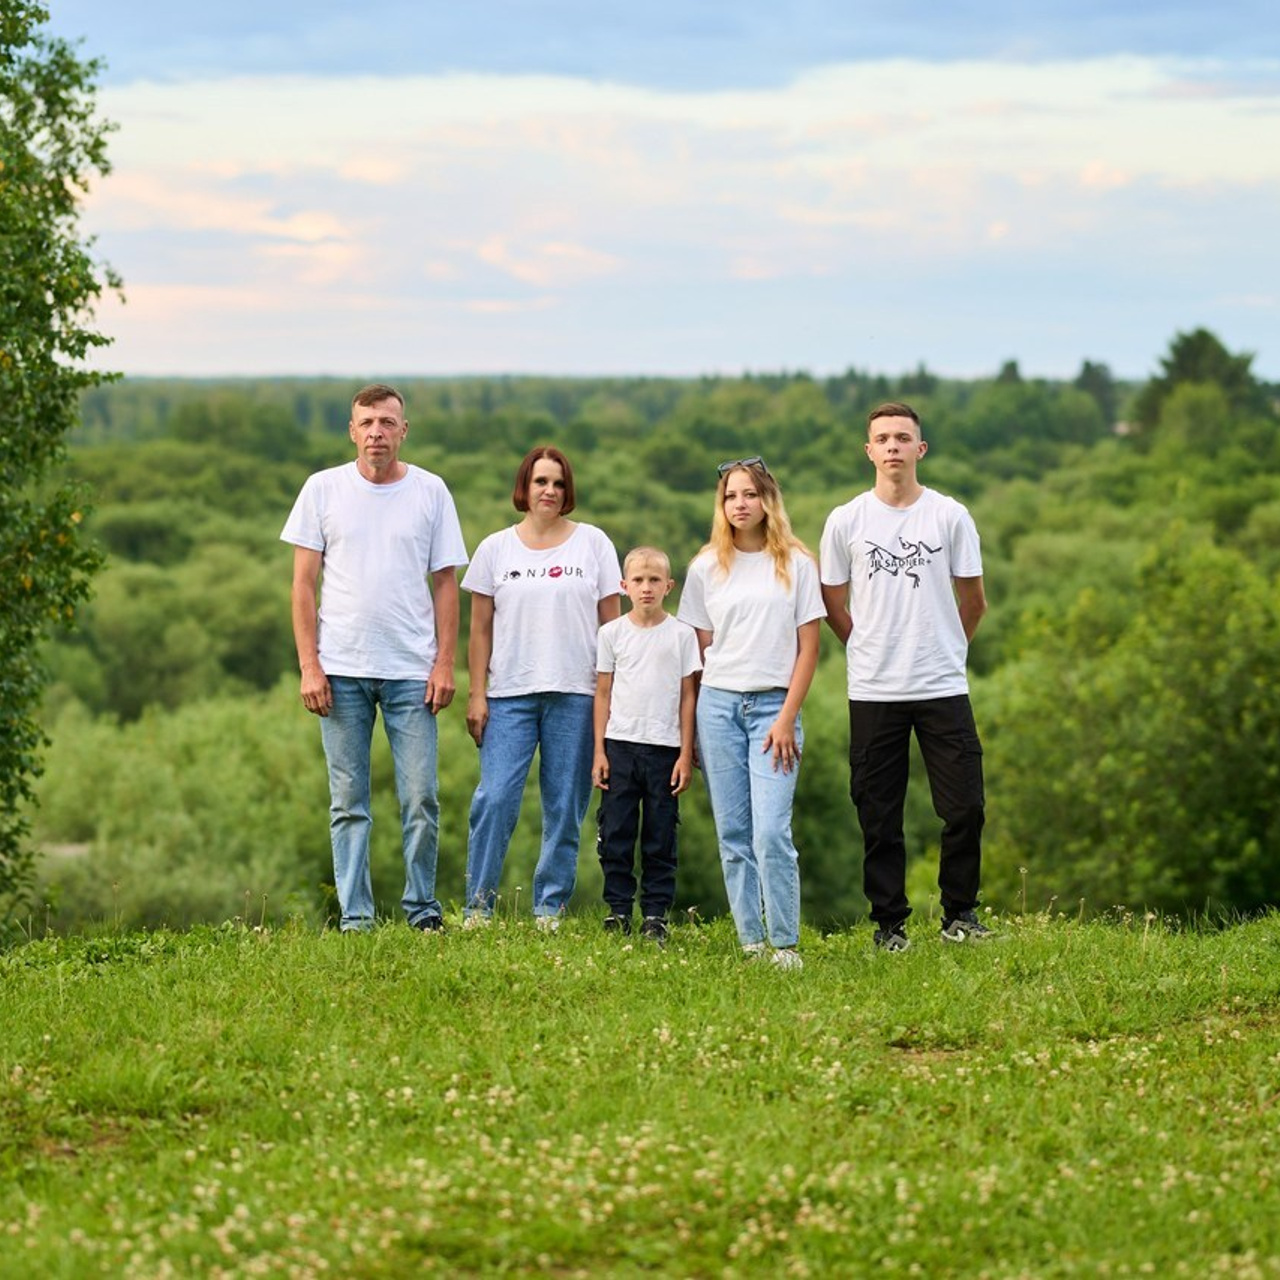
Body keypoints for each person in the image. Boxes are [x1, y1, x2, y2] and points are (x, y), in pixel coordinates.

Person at [281, 383, 468, 933]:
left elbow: (446, 585)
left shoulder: (431, 492)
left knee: (420, 798)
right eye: (366, 423)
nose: (376, 433)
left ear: (403, 430)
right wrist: (309, 665)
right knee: (348, 802)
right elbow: (301, 585)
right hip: (340, 671)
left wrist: (445, 662)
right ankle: (357, 917)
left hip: (413, 671)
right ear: (352, 430)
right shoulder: (322, 490)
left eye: (387, 423)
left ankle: (421, 910)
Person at [819, 402, 990, 952]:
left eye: (903, 438)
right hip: (873, 688)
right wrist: (865, 646)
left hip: (942, 685)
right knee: (878, 812)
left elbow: (975, 600)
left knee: (965, 806)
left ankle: (960, 915)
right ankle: (889, 925)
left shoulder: (949, 516)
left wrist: (946, 648)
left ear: (921, 449)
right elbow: (831, 601)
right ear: (868, 451)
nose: (893, 447)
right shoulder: (846, 520)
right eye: (883, 439)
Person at [463, 446, 622, 926]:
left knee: (564, 807)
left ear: (567, 490)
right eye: (540, 482)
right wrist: (476, 694)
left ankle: (548, 908)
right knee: (493, 799)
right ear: (524, 488)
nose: (549, 491)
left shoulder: (593, 544)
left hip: (576, 694)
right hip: (508, 694)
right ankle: (478, 906)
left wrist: (611, 701)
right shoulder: (495, 548)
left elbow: (612, 629)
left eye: (557, 483)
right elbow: (480, 630)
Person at [678, 457, 824, 969]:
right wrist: (688, 734)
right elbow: (697, 657)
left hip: (773, 711)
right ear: (721, 506)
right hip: (717, 708)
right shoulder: (704, 568)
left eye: (749, 495)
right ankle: (752, 943)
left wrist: (787, 717)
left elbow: (810, 649)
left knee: (771, 833)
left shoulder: (798, 565)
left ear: (768, 501)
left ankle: (784, 943)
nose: (740, 504)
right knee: (734, 834)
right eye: (730, 496)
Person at [592, 546, 702, 944]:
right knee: (616, 832)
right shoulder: (611, 634)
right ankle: (618, 909)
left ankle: (655, 913)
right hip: (619, 746)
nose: (646, 587)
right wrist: (599, 752)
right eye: (638, 580)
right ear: (624, 587)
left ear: (669, 586)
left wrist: (686, 755)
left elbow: (689, 696)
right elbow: (602, 693)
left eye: (655, 580)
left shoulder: (682, 635)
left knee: (660, 836)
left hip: (664, 750)